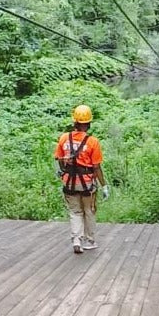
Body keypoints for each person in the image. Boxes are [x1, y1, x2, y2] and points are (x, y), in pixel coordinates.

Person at [54, 105, 109, 254]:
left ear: (75, 122)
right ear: (88, 123)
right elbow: (96, 167)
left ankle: (76, 240)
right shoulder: (92, 142)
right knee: (89, 210)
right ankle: (89, 240)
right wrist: (104, 185)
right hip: (86, 184)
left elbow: (59, 159)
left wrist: (65, 170)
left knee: (75, 211)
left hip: (69, 182)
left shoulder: (64, 138)